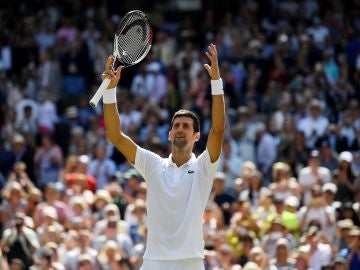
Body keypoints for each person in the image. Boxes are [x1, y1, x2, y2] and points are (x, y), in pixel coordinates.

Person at [102, 43, 225, 270]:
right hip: (154, 263)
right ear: (169, 134)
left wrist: (216, 83)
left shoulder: (203, 168)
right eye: (176, 125)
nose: (180, 129)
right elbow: (115, 136)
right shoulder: (153, 165)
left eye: (186, 126)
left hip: (191, 263)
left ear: (197, 135)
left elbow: (217, 130)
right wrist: (110, 90)